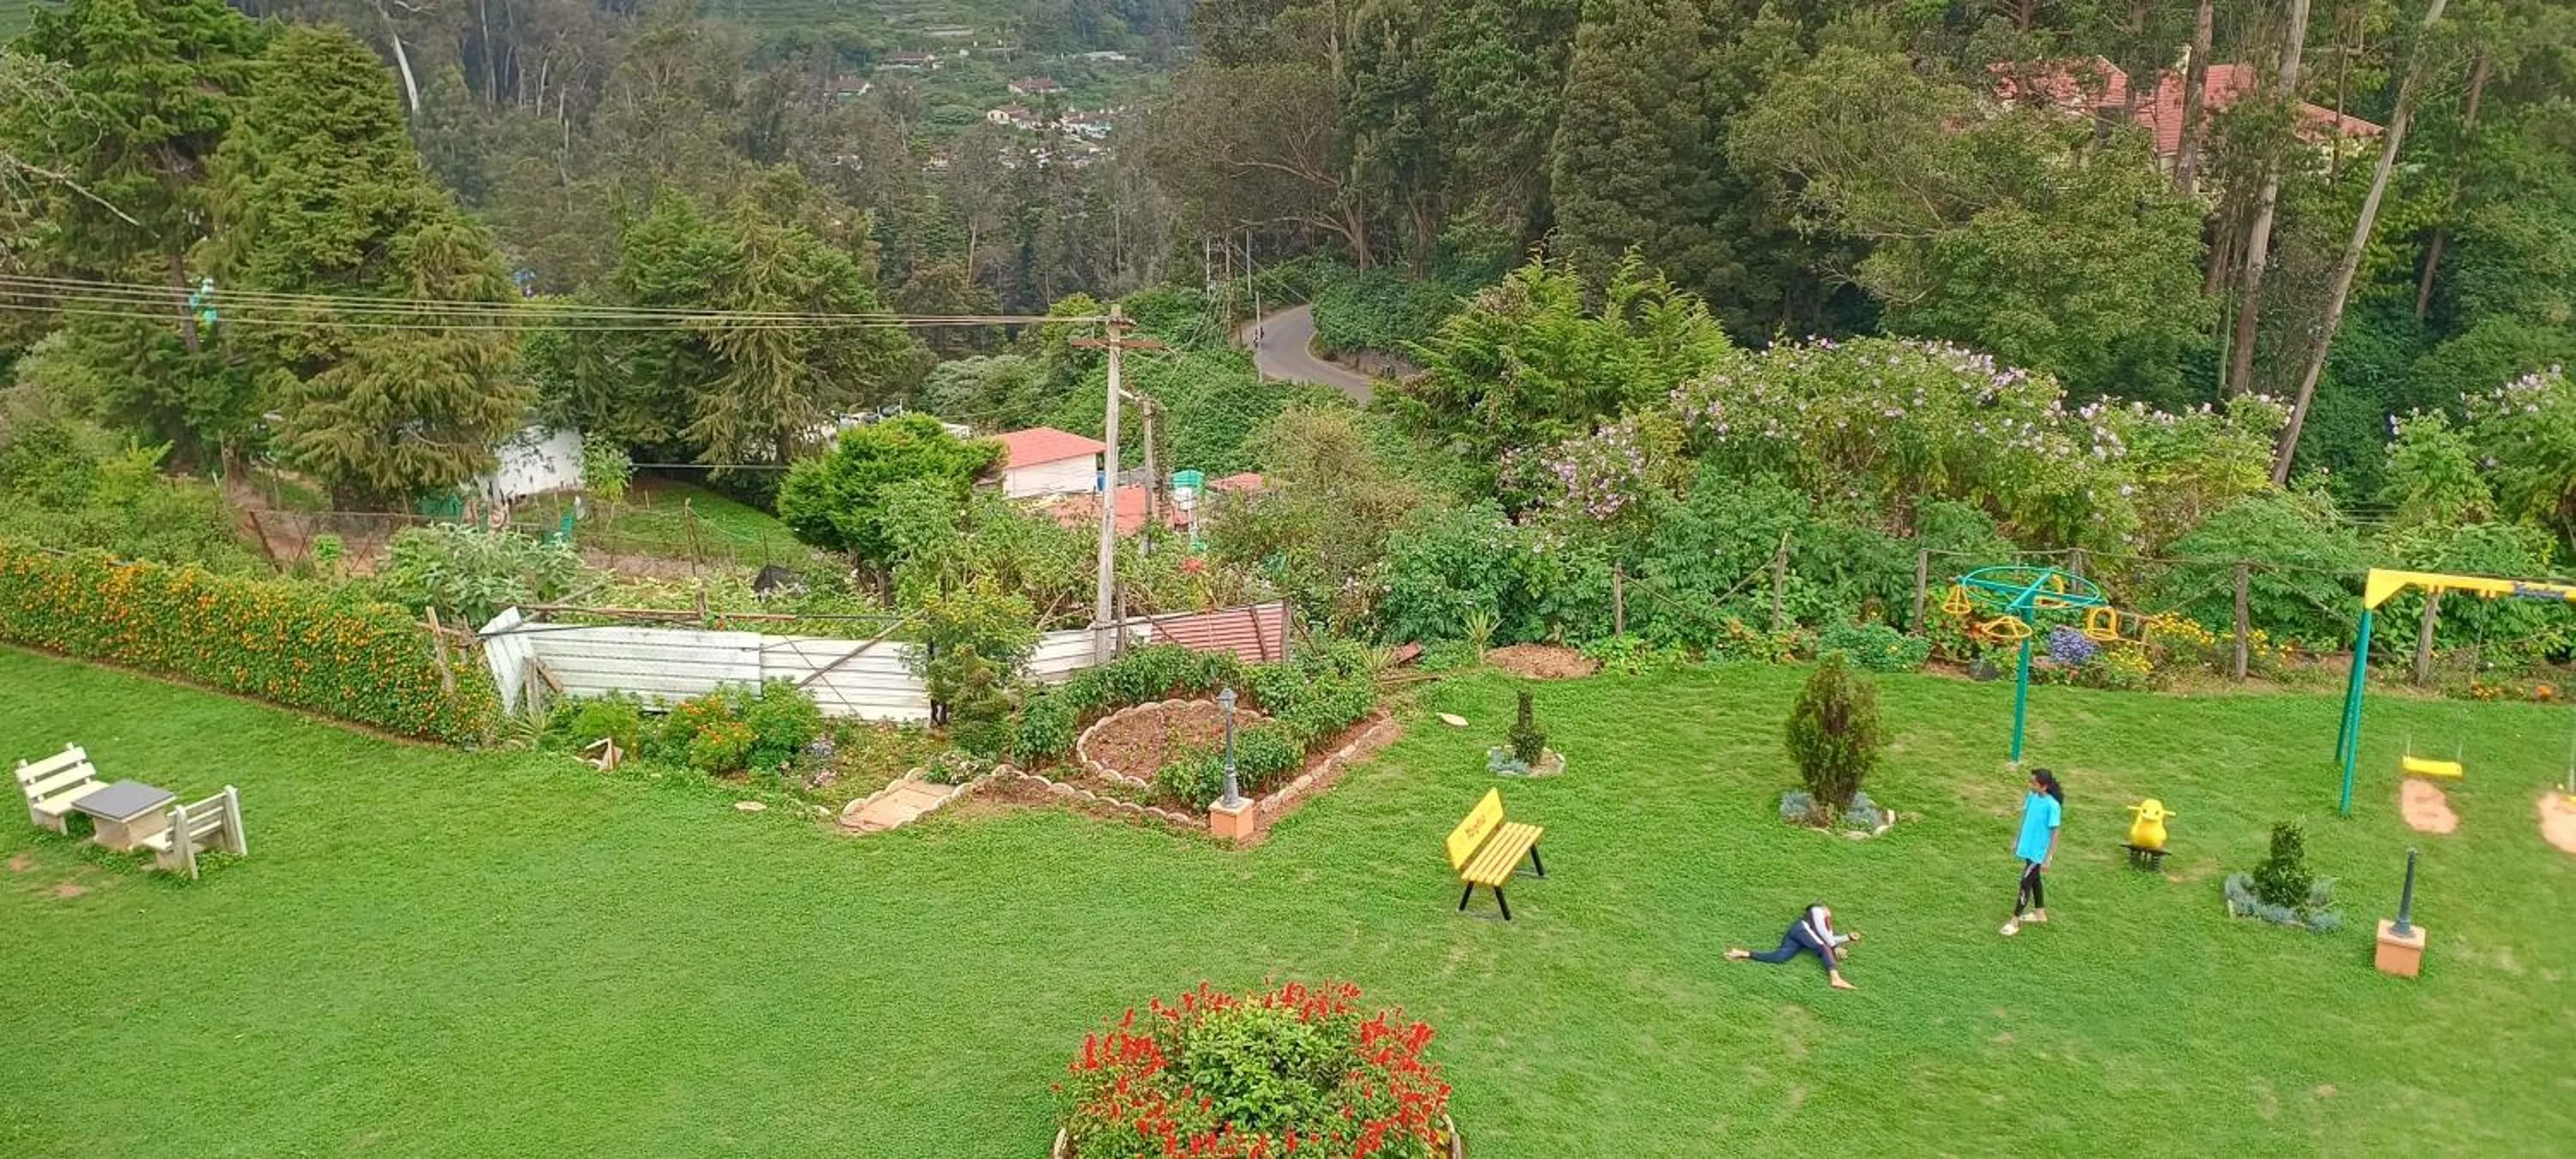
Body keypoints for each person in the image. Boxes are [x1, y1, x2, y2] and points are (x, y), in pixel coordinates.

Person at [1726, 904, 1860, 991]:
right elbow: (1821, 932)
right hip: (1802, 930)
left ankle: (1741, 953)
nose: (1830, 911)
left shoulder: (1826, 922)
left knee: (1780, 957)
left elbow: (1827, 936)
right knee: (1823, 947)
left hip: (1800, 934)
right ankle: (1835, 978)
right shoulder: (1817, 910)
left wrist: (1847, 938)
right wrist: (1834, 946)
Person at [2002, 768, 2064, 936]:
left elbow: (2055, 833)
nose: (2030, 785)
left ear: (2044, 786)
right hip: (2028, 847)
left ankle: (2014, 921)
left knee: (2025, 883)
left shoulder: (2053, 806)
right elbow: (2025, 818)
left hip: (2038, 853)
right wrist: (2017, 838)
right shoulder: (2032, 797)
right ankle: (2040, 914)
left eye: (2033, 783)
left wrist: (2048, 857)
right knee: (2033, 878)